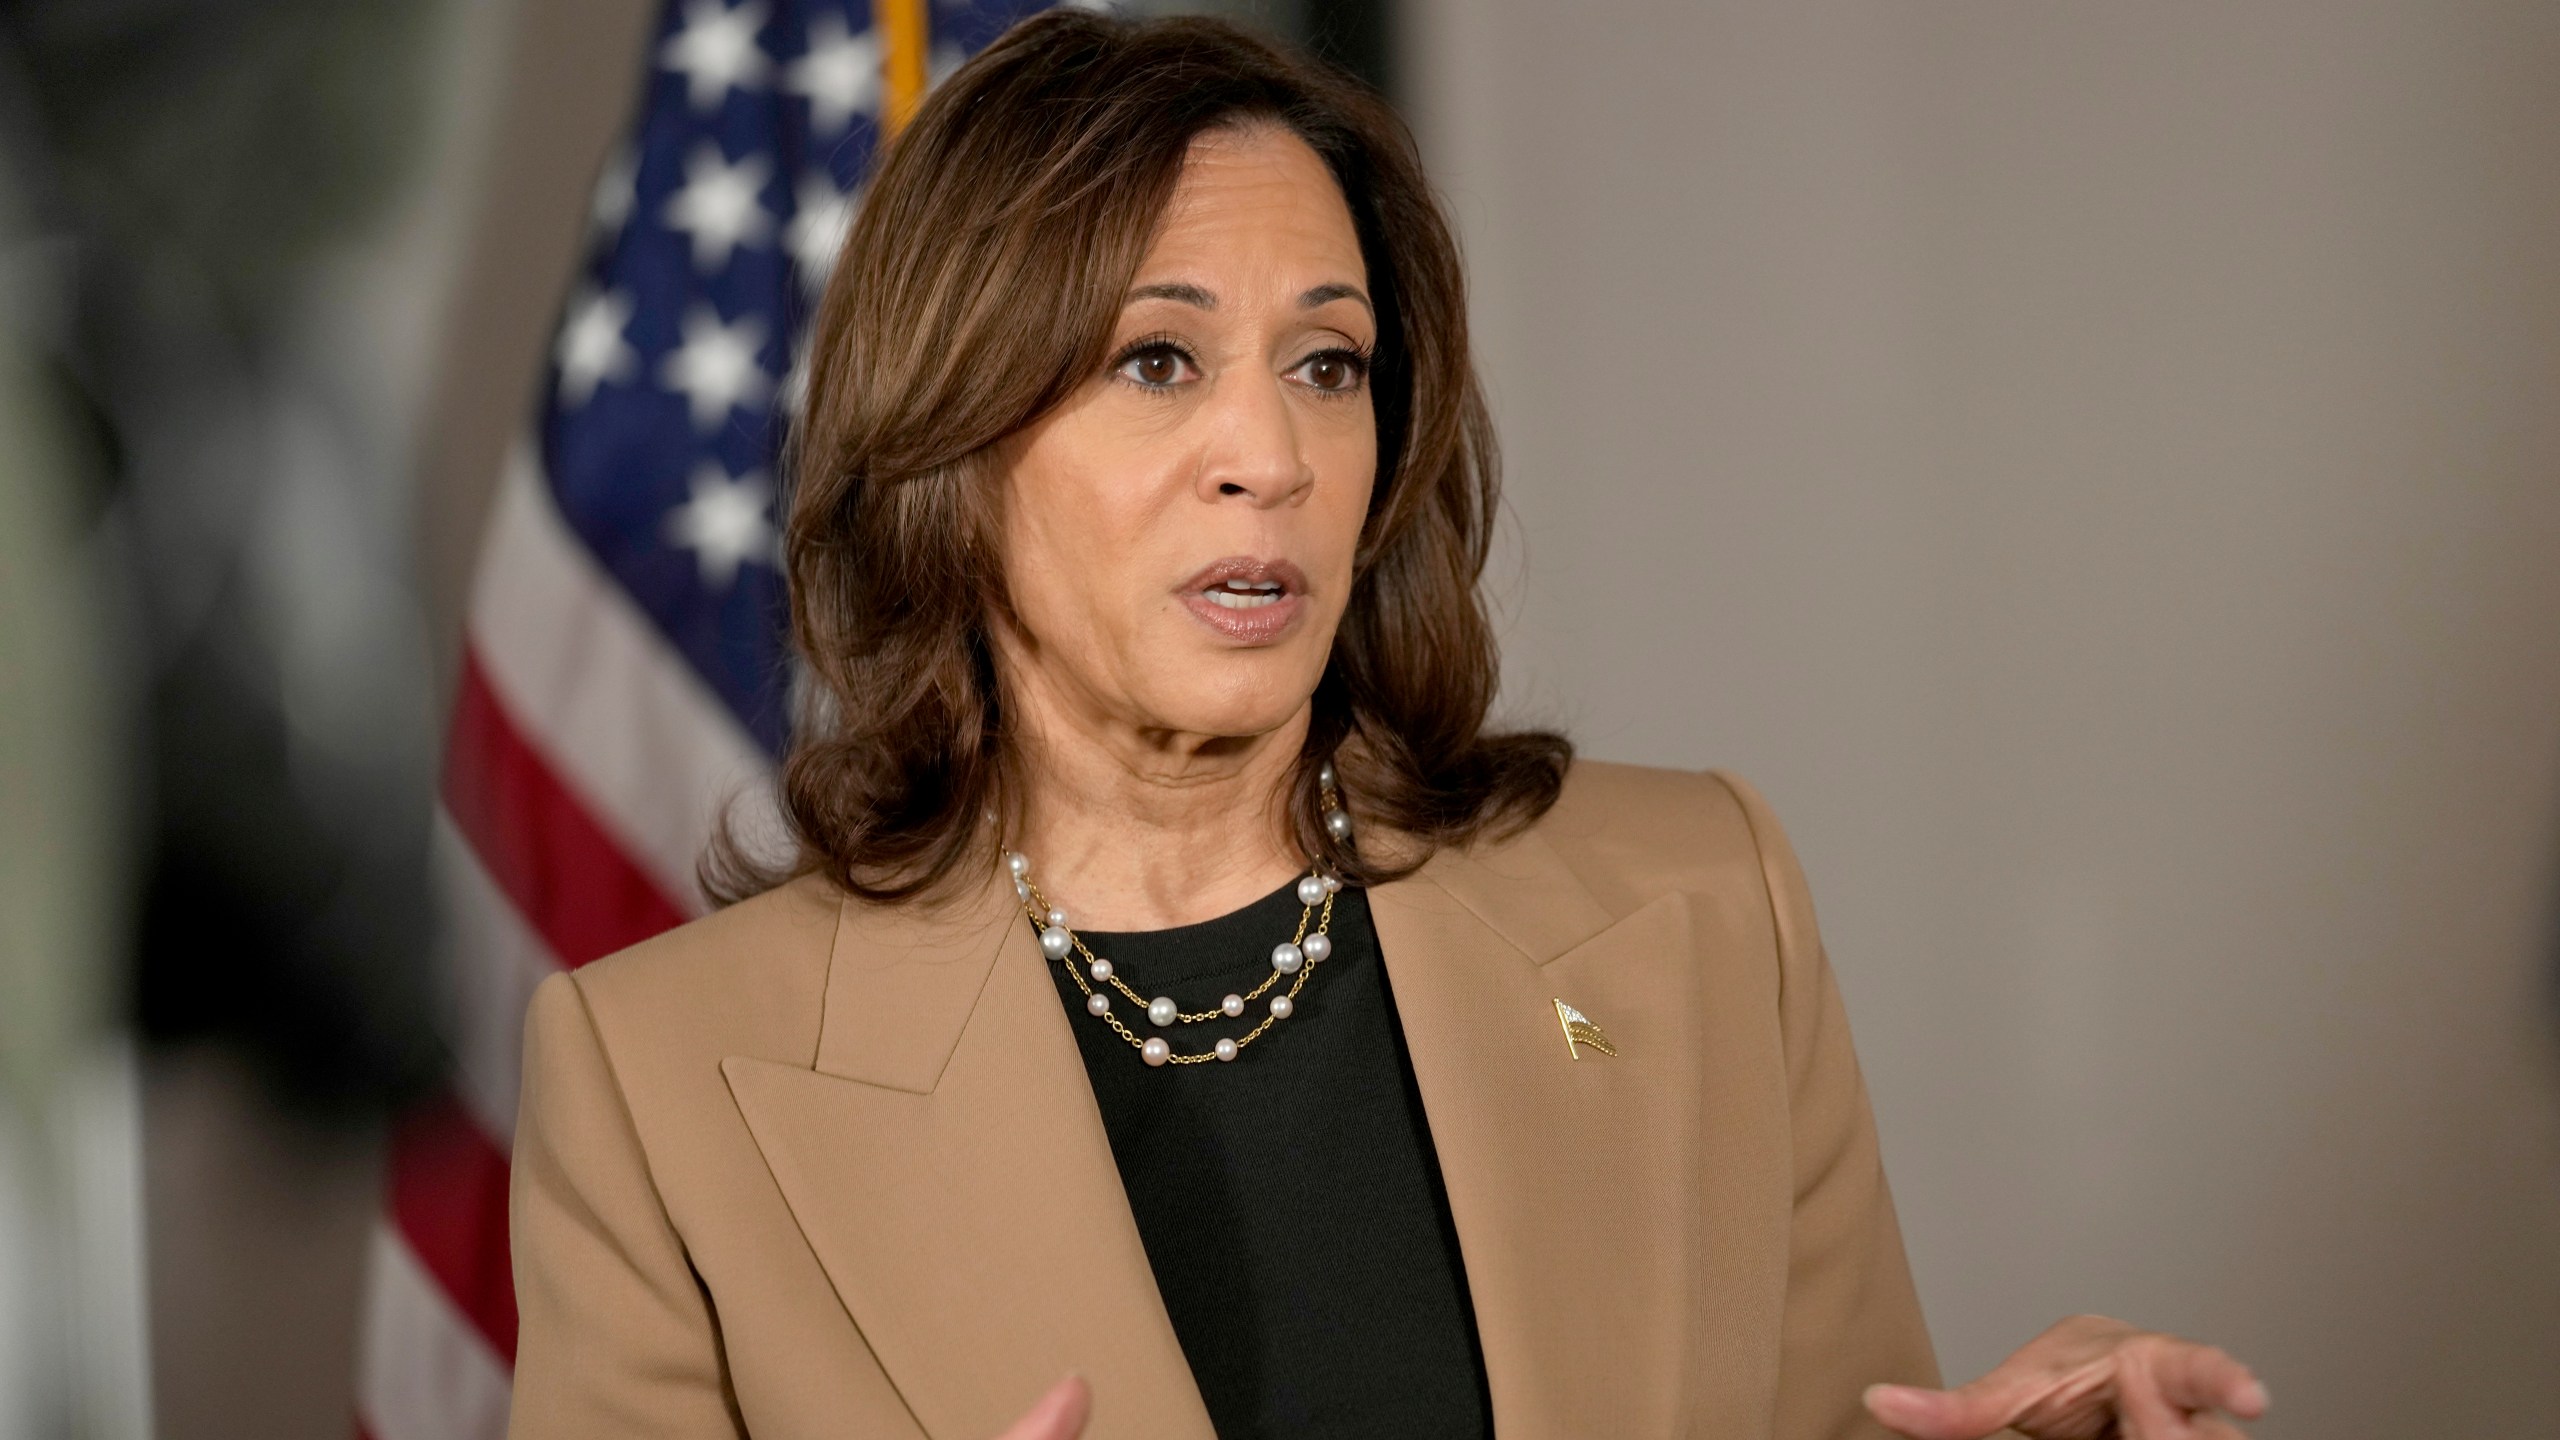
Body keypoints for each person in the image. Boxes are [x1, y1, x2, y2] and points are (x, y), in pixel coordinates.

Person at [505, 13, 2271, 1440]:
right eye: (1158, 360)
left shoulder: (1699, 906)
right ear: (955, 448)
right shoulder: (663, 1091)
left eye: (1329, 363)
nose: (1269, 455)